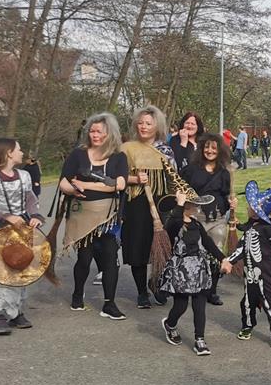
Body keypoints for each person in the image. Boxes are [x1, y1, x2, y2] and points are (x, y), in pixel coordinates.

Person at [58, 113, 128, 320]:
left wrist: (86, 184)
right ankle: (77, 294)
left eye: (100, 132)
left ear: (110, 134)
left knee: (110, 258)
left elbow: (120, 184)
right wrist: (72, 189)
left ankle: (109, 303)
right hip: (82, 213)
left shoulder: (118, 156)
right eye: (92, 131)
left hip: (108, 215)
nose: (95, 135)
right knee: (84, 257)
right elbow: (63, 181)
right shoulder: (78, 154)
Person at [0, 138, 44, 334]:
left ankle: (15, 311)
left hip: (22, 230)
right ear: (8, 153)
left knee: (21, 267)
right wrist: (6, 216)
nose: (22, 153)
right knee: (2, 271)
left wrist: (35, 215)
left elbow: (30, 198)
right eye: (19, 149)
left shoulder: (24, 175)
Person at [159, 191, 233, 356]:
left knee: (199, 306)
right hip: (181, 271)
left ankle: (200, 339)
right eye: (193, 204)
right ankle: (170, 324)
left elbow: (208, 244)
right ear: (185, 206)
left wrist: (223, 259)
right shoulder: (174, 223)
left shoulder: (197, 225)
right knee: (181, 306)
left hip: (199, 270)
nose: (197, 207)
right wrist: (179, 204)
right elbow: (173, 224)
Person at [120, 106, 177, 309]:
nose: (143, 126)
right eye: (140, 123)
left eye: (148, 123)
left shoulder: (165, 150)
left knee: (160, 248)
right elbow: (116, 177)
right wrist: (134, 179)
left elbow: (174, 178)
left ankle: (156, 283)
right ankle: (141, 292)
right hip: (135, 204)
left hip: (160, 205)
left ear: (157, 126)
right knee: (138, 248)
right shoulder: (127, 149)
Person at [228, 182, 271, 347]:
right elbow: (242, 246)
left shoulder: (268, 228)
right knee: (247, 302)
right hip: (249, 273)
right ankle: (247, 325)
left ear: (257, 211)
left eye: (251, 207)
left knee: (270, 302)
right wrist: (228, 261)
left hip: (265, 273)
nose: (248, 209)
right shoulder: (251, 225)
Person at [181, 134, 236, 306]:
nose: (210, 151)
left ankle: (211, 290)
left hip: (217, 218)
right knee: (195, 252)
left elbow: (226, 194)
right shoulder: (191, 170)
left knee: (216, 253)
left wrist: (231, 202)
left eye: (213, 148)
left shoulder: (224, 173)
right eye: (206, 147)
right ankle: (193, 286)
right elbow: (181, 189)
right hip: (195, 217)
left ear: (220, 150)